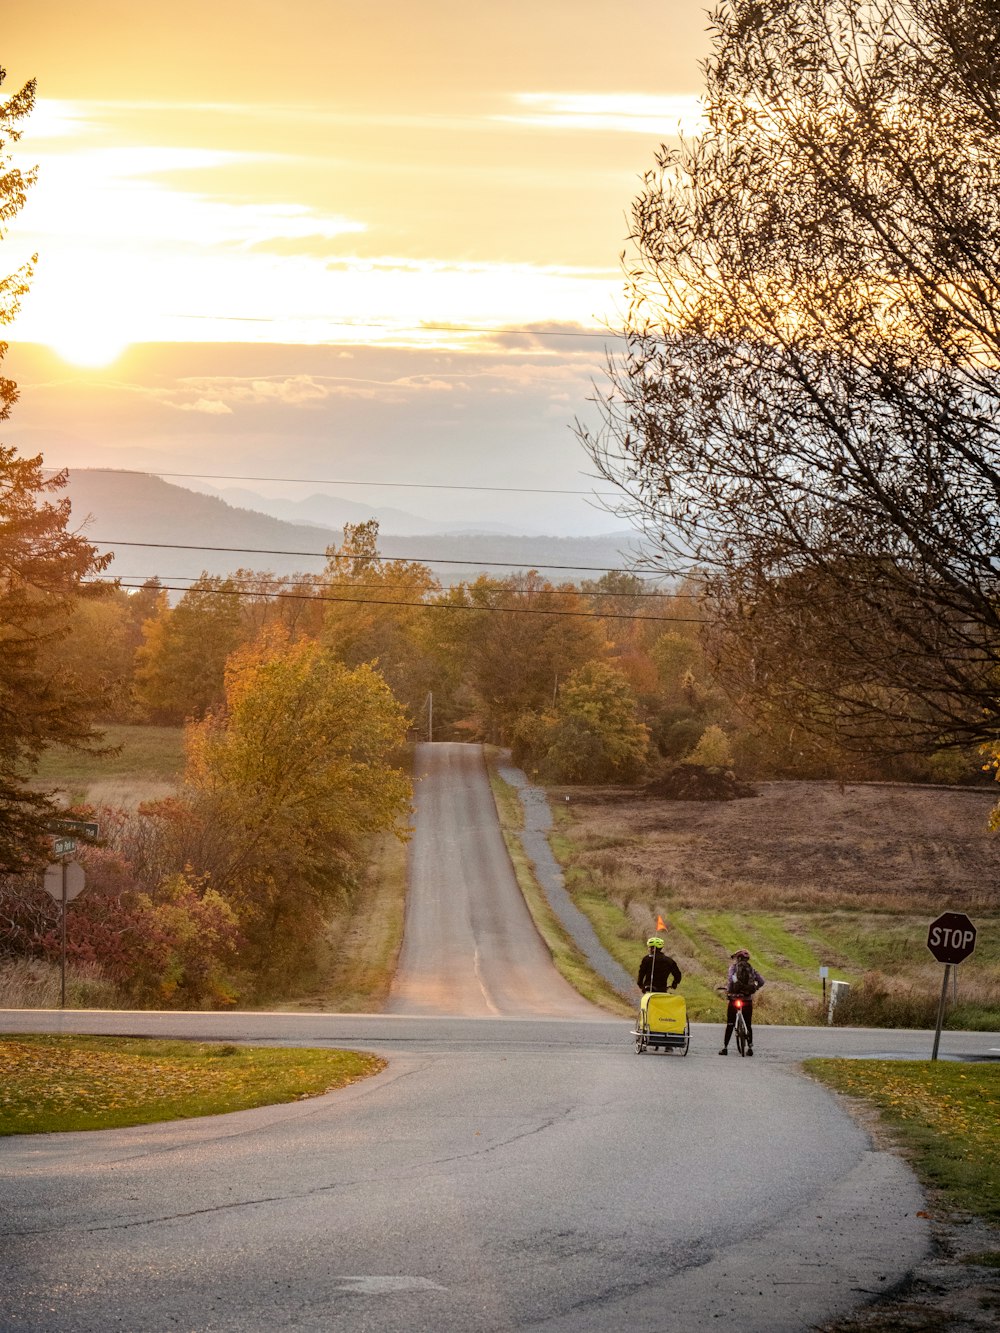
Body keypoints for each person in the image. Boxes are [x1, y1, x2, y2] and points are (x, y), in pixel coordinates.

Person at [719, 948, 765, 1056]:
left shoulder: (733, 968)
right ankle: (750, 1048)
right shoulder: (752, 969)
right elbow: (762, 981)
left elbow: (730, 980)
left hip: (734, 1000)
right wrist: (755, 988)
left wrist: (729, 991)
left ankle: (725, 1048)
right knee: (748, 1024)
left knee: (730, 1023)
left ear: (738, 958)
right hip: (747, 1000)